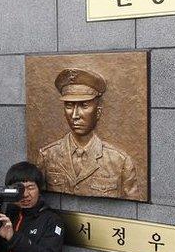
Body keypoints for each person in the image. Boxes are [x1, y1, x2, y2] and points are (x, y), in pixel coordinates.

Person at [37, 67, 139, 199]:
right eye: (69, 105)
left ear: (98, 111)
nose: (75, 115)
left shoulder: (119, 161)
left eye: (84, 105)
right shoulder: (47, 156)